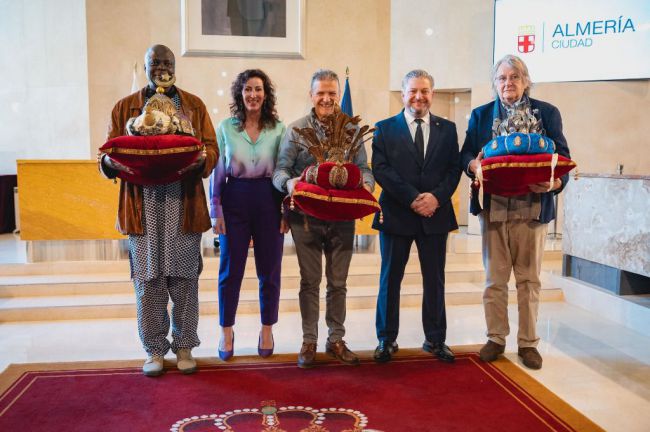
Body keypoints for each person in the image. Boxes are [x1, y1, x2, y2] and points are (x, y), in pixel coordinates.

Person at [99, 44, 218, 376]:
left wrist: (199, 159)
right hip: (143, 207)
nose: (162, 68)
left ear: (175, 66)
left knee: (184, 280)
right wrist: (112, 162)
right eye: (155, 63)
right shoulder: (125, 108)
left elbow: (212, 150)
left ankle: (184, 346)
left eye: (167, 62)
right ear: (147, 66)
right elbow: (106, 155)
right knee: (148, 282)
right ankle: (153, 349)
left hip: (183, 203)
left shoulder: (193, 106)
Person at [460, 54, 570, 370]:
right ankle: (496, 338)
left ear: (525, 81)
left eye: (514, 77)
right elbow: (466, 153)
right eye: (502, 78)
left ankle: (528, 343)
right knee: (494, 280)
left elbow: (562, 157)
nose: (508, 83)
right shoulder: (481, 116)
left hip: (533, 207)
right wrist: (472, 165)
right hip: (493, 207)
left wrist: (553, 184)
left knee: (530, 280)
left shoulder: (547, 113)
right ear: (495, 84)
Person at [272, 69, 374, 368]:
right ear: (311, 95)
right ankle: (309, 340)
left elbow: (365, 169)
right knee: (310, 281)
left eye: (332, 93)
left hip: (343, 217)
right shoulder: (295, 130)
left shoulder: (353, 130)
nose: (327, 99)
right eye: (321, 93)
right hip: (306, 218)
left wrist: (366, 185)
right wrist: (290, 184)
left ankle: (336, 339)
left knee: (338, 282)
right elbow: (280, 171)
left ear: (338, 95)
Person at [371, 70, 461, 364]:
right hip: (397, 214)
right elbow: (382, 169)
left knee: (434, 280)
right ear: (403, 93)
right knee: (390, 279)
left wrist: (436, 197)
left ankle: (435, 339)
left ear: (432, 94)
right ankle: (386, 339)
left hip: (435, 214)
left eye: (424, 91)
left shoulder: (448, 129)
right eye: (413, 91)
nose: (419, 96)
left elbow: (453, 170)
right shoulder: (384, 128)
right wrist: (412, 198)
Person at [209, 69, 287, 360]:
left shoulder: (279, 128)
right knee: (230, 271)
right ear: (240, 94)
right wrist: (215, 210)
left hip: (269, 199)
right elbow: (217, 171)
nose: (253, 95)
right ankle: (226, 331)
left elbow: (283, 171)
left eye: (258, 89)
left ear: (266, 94)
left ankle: (267, 328)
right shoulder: (226, 128)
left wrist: (285, 211)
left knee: (270, 272)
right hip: (235, 199)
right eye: (247, 89)